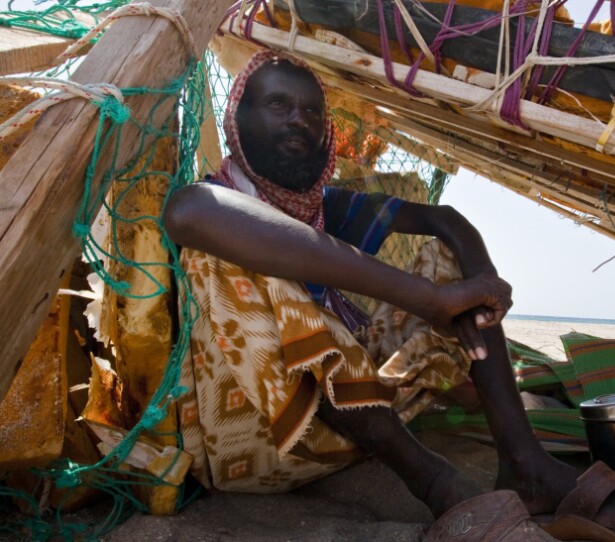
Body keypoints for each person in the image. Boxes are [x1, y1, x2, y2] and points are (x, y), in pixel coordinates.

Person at [163, 50, 579, 520]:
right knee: (225, 255)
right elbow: (187, 214)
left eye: (312, 111)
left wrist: (482, 281)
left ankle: (526, 463)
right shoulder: (210, 203)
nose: (299, 120)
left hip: (358, 432)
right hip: (255, 449)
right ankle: (437, 481)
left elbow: (445, 221)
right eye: (278, 105)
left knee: (448, 255)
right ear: (237, 119)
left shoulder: (324, 209)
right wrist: (427, 300)